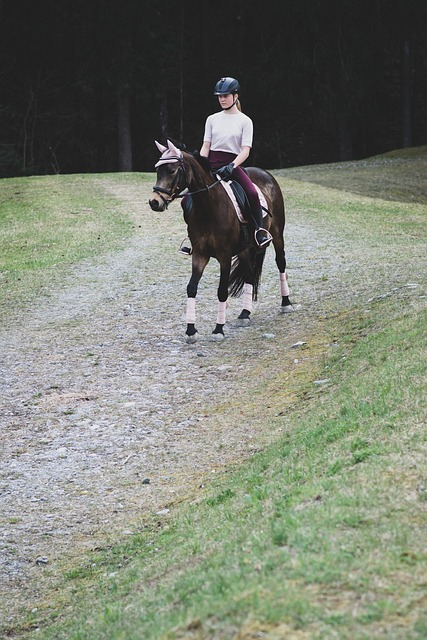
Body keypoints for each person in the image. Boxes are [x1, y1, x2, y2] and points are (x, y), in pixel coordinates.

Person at [179, 76, 272, 255]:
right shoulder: (212, 119)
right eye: (219, 96)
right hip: (211, 166)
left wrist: (232, 165)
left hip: (232, 166)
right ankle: (193, 237)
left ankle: (258, 232)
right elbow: (206, 145)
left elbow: (245, 150)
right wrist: (200, 162)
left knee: (252, 194)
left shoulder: (245, 121)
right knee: (186, 200)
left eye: (226, 95)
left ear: (235, 96)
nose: (222, 99)